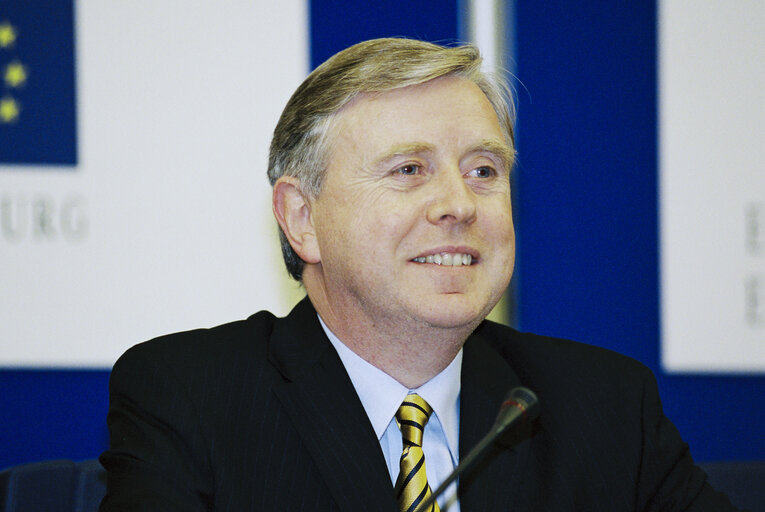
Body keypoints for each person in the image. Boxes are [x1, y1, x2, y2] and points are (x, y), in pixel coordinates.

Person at [99, 38, 739, 511]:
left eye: (484, 171)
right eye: (409, 170)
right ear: (302, 219)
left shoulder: (604, 405)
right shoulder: (189, 397)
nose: (459, 205)